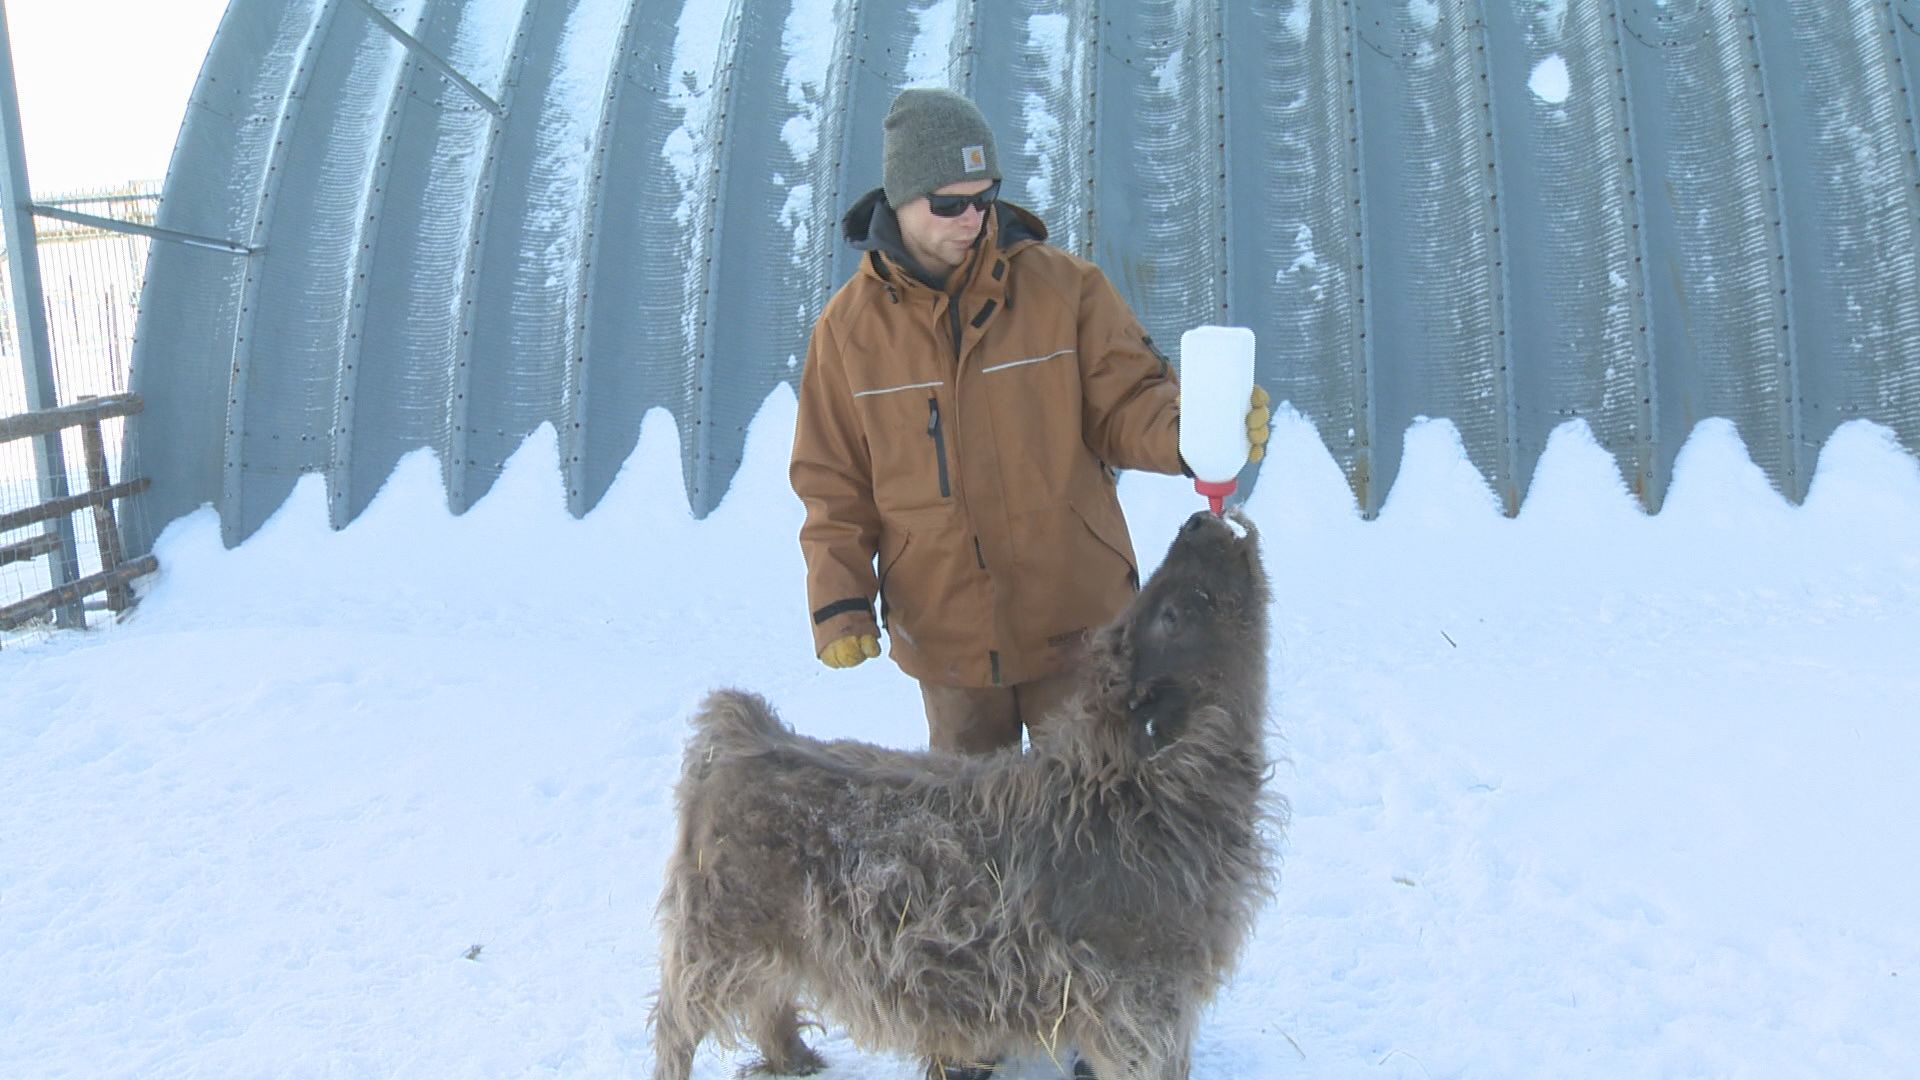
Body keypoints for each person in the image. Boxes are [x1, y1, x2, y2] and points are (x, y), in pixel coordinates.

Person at [790, 85, 1268, 757]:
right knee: (979, 835)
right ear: (899, 199)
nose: (972, 220)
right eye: (949, 204)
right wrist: (840, 599)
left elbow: (1129, 399)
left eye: (984, 199)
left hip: (1073, 621)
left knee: (1094, 818)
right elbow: (833, 479)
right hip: (946, 634)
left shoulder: (1064, 290)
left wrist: (1196, 432)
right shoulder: (848, 333)